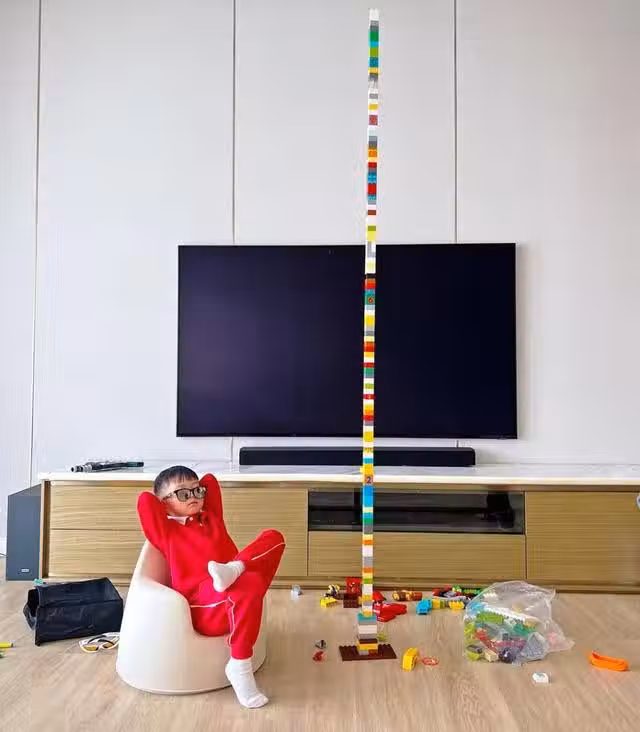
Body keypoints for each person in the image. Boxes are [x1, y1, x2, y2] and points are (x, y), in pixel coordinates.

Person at [137, 465, 285, 708]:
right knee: (250, 582)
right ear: (164, 504)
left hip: (233, 584)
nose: (193, 496)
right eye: (183, 493)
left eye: (197, 491)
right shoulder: (166, 532)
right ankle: (240, 665)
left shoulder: (212, 517)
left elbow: (210, 481)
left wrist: (188, 491)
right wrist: (166, 502)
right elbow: (145, 500)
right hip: (204, 606)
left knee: (274, 537)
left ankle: (234, 569)